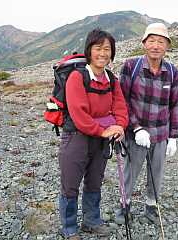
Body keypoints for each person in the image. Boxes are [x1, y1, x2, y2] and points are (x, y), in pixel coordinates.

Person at [58, 28, 128, 240]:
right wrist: (104, 130)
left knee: (94, 181)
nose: (103, 53)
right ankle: (69, 227)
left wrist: (120, 127)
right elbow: (80, 115)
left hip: (101, 139)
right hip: (76, 138)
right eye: (98, 48)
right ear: (89, 50)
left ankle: (91, 221)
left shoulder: (112, 79)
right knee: (70, 183)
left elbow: (120, 107)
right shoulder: (76, 78)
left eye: (107, 49)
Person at [117, 23, 178, 224]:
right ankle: (124, 207)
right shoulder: (131, 66)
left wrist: (173, 136)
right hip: (136, 134)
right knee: (130, 172)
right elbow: (122, 101)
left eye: (161, 42)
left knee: (156, 174)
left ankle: (151, 208)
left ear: (167, 46)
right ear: (144, 43)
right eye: (152, 41)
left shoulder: (172, 72)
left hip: (161, 135)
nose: (156, 45)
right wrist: (136, 128)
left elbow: (176, 105)